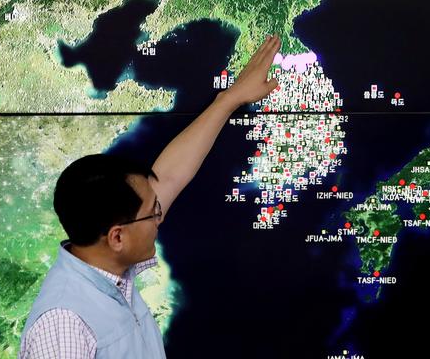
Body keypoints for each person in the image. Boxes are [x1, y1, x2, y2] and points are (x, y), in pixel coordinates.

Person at [18, 35, 282, 358]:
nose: (159, 217)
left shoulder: (108, 270)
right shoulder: (64, 326)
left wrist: (229, 100)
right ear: (117, 237)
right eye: (153, 212)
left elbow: (168, 177)